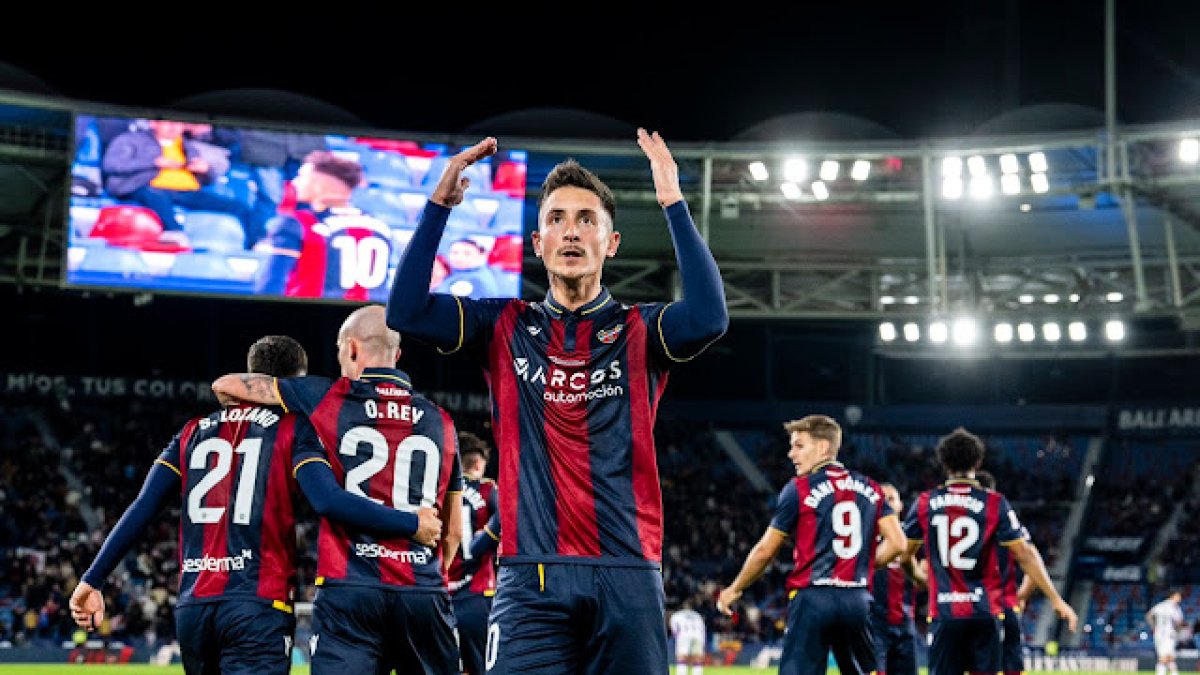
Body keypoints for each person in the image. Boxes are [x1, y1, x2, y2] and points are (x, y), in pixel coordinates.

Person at [385, 130, 728, 673]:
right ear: (538, 242)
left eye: (587, 219)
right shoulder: (502, 325)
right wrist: (436, 208)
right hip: (530, 578)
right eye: (556, 219)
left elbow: (710, 317)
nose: (571, 231)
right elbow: (404, 311)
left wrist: (673, 203)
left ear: (611, 243)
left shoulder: (641, 329)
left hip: (627, 574)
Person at [68, 335, 440, 675]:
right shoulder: (295, 428)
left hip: (194, 609)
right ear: (291, 382)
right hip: (256, 608)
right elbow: (328, 499)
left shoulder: (191, 431)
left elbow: (143, 506)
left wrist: (93, 578)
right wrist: (410, 522)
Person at [210, 305, 464, 674]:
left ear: (352, 349)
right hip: (422, 590)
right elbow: (453, 531)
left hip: (350, 590)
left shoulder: (327, 396)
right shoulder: (443, 420)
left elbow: (226, 386)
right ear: (397, 355)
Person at [716, 415, 908, 675]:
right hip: (857, 600)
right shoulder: (871, 487)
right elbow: (898, 543)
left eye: (798, 445)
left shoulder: (799, 488)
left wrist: (735, 588)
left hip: (813, 599)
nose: (790, 453)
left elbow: (765, 550)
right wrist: (859, 564)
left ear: (822, 448)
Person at [902, 428, 1078, 675]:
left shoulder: (925, 502)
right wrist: (1057, 600)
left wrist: (917, 577)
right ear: (978, 462)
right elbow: (1026, 554)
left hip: (945, 612)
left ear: (943, 463)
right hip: (985, 613)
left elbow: (903, 553)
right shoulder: (995, 503)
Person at [254, 150, 393, 302]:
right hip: (365, 321)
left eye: (301, 176)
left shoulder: (298, 223)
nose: (295, 182)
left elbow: (272, 283)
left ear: (319, 184)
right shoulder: (381, 227)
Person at [101, 119, 252, 246]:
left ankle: (254, 243)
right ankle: (173, 233)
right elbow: (112, 165)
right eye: (168, 122)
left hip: (186, 190)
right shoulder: (130, 140)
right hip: (146, 186)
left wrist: (206, 170)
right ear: (153, 123)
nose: (173, 127)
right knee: (156, 196)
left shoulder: (187, 146)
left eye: (178, 123)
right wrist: (153, 162)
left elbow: (208, 180)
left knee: (239, 206)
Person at [977, 469, 1053, 675]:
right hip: (1004, 604)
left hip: (968, 606)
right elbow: (1032, 561)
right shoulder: (1009, 524)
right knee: (1011, 664)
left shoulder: (956, 522)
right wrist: (1020, 596)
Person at [447, 430, 501, 675]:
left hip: (438, 592)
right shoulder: (488, 489)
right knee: (483, 667)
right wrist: (482, 543)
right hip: (477, 592)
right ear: (479, 462)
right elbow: (506, 515)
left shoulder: (438, 488)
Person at [870, 483, 925, 675]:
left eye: (891, 498)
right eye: (882, 499)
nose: (887, 503)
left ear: (901, 505)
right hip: (873, 626)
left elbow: (924, 578)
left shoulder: (913, 539)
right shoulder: (864, 537)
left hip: (905, 625)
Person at [435, 237, 502, 298]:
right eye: (455, 252)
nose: (459, 257)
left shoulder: (474, 280)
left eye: (467, 253)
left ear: (482, 255)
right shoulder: (458, 273)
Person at [1147, 589, 1185, 675]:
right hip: (1169, 635)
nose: (1180, 598)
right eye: (1178, 596)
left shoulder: (1161, 605)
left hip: (1158, 634)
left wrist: (1154, 627)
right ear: (1173, 596)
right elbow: (1179, 622)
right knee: (1164, 658)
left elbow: (1149, 615)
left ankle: (1174, 673)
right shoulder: (1175, 607)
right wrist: (1178, 631)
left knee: (1169, 657)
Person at [668, 600, 707, 675]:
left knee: (682, 658)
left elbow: (674, 629)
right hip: (698, 636)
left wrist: (677, 637)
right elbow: (702, 628)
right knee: (697, 659)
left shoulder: (677, 615)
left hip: (684, 636)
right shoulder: (697, 615)